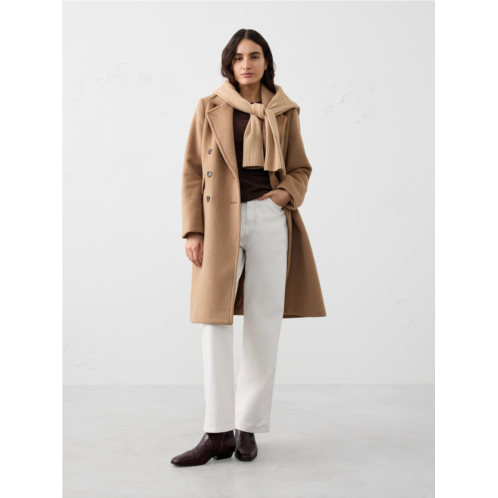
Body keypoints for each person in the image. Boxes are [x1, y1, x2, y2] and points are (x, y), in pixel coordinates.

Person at [171, 29, 326, 467]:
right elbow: (191, 171)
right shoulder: (209, 106)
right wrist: (193, 231)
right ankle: (216, 431)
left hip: (268, 218)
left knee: (263, 323)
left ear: (266, 62)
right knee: (214, 321)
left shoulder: (285, 110)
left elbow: (300, 167)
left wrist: (284, 195)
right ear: (229, 63)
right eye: (238, 57)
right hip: (219, 222)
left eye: (254, 56)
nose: (246, 64)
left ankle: (248, 428)